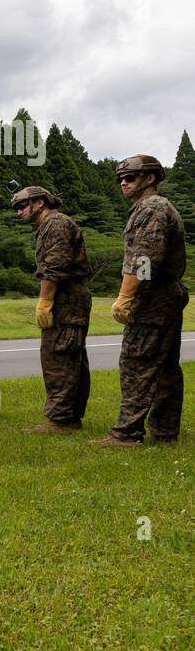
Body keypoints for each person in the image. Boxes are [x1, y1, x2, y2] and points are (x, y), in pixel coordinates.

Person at [90, 154, 188, 447]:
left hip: (153, 298)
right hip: (166, 295)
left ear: (150, 179)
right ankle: (165, 432)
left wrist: (125, 296)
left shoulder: (151, 207)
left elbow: (145, 257)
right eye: (120, 178)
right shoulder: (153, 207)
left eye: (130, 177)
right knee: (166, 367)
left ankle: (126, 433)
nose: (123, 182)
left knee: (136, 362)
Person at [11, 184, 92, 433]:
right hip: (69, 296)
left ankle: (61, 419)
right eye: (16, 207)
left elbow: (54, 267)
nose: (19, 211)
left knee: (59, 356)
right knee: (71, 356)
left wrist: (45, 301)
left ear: (40, 203)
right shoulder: (49, 225)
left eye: (23, 205)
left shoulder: (55, 224)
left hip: (66, 297)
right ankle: (70, 416)